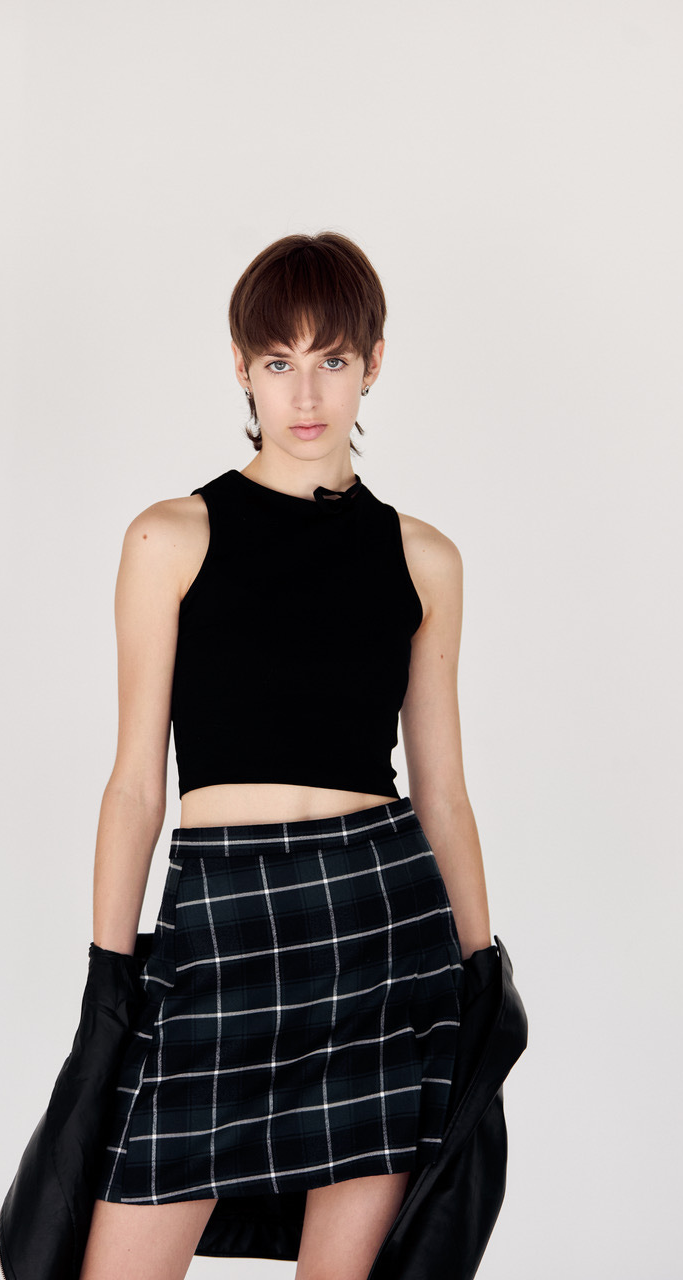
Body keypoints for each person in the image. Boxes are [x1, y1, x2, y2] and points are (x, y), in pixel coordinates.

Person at [78, 231, 492, 1280]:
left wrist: (481, 968)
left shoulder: (424, 557)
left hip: (381, 930)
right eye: (278, 360)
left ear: (374, 362)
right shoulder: (170, 536)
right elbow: (135, 783)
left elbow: (442, 791)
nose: (305, 394)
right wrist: (108, 974)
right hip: (221, 925)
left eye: (332, 359)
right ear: (240, 365)